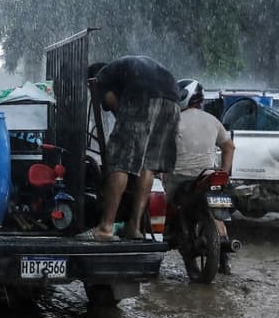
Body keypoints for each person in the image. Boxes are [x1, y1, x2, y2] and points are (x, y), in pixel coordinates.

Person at [79, 55, 181, 241]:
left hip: (143, 96)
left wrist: (128, 130)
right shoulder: (125, 69)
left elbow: (112, 103)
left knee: (120, 162)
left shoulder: (100, 77)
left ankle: (106, 227)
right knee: (148, 164)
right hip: (173, 98)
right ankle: (134, 226)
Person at [163, 78, 236, 273]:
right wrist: (225, 173)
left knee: (161, 211)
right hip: (208, 177)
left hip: (178, 178)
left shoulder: (172, 120)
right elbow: (229, 146)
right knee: (217, 211)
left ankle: (156, 247)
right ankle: (225, 259)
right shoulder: (213, 120)